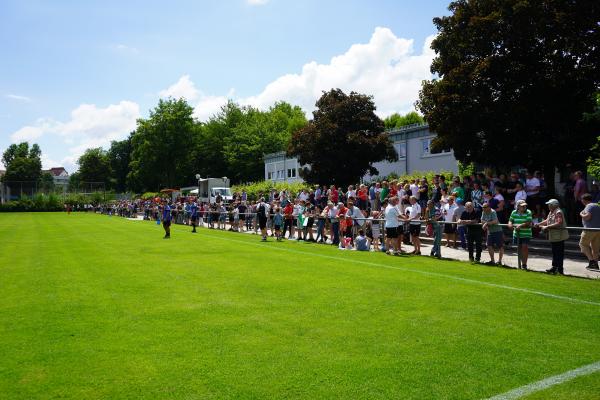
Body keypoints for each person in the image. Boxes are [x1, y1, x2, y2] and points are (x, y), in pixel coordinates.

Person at [536, 199, 569, 274]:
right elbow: (547, 220)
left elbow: (559, 222)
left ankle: (560, 269)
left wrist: (547, 227)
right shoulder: (552, 212)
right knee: (555, 252)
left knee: (559, 253)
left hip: (559, 236)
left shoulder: (558, 212)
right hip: (554, 236)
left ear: (554, 205)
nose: (548, 206)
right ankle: (554, 267)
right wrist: (538, 224)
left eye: (549, 205)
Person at [508, 201, 533, 270]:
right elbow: (510, 220)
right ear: (518, 206)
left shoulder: (528, 212)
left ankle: (524, 264)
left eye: (525, 205)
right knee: (519, 248)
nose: (524, 207)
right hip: (517, 234)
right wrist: (510, 224)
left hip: (526, 234)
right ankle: (521, 264)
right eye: (522, 206)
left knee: (524, 247)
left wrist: (520, 225)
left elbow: (528, 222)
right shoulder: (514, 212)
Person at [580, 193, 600, 271]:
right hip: (598, 230)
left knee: (582, 245)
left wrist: (581, 214)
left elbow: (587, 217)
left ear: (583, 200)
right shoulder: (597, 206)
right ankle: (595, 264)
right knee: (595, 249)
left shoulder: (589, 206)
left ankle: (592, 262)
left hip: (589, 229)